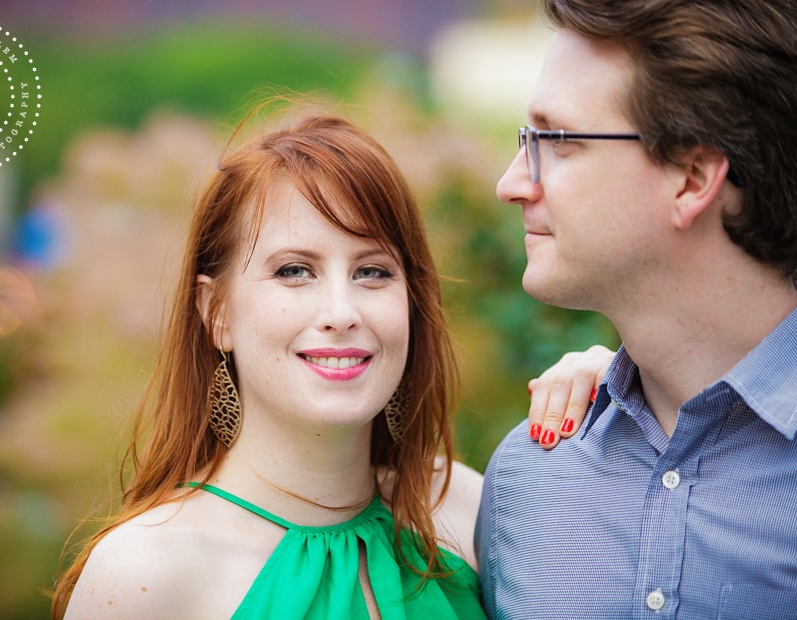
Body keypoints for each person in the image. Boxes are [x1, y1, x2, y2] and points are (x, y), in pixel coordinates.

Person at [50, 104, 610, 619]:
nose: (341, 312)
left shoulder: (464, 510)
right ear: (216, 312)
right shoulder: (144, 575)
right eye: (294, 270)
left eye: (373, 271)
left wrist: (627, 402)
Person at [478, 0, 797, 618]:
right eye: (526, 139)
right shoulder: (528, 477)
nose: (512, 183)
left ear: (691, 176)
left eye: (556, 140)